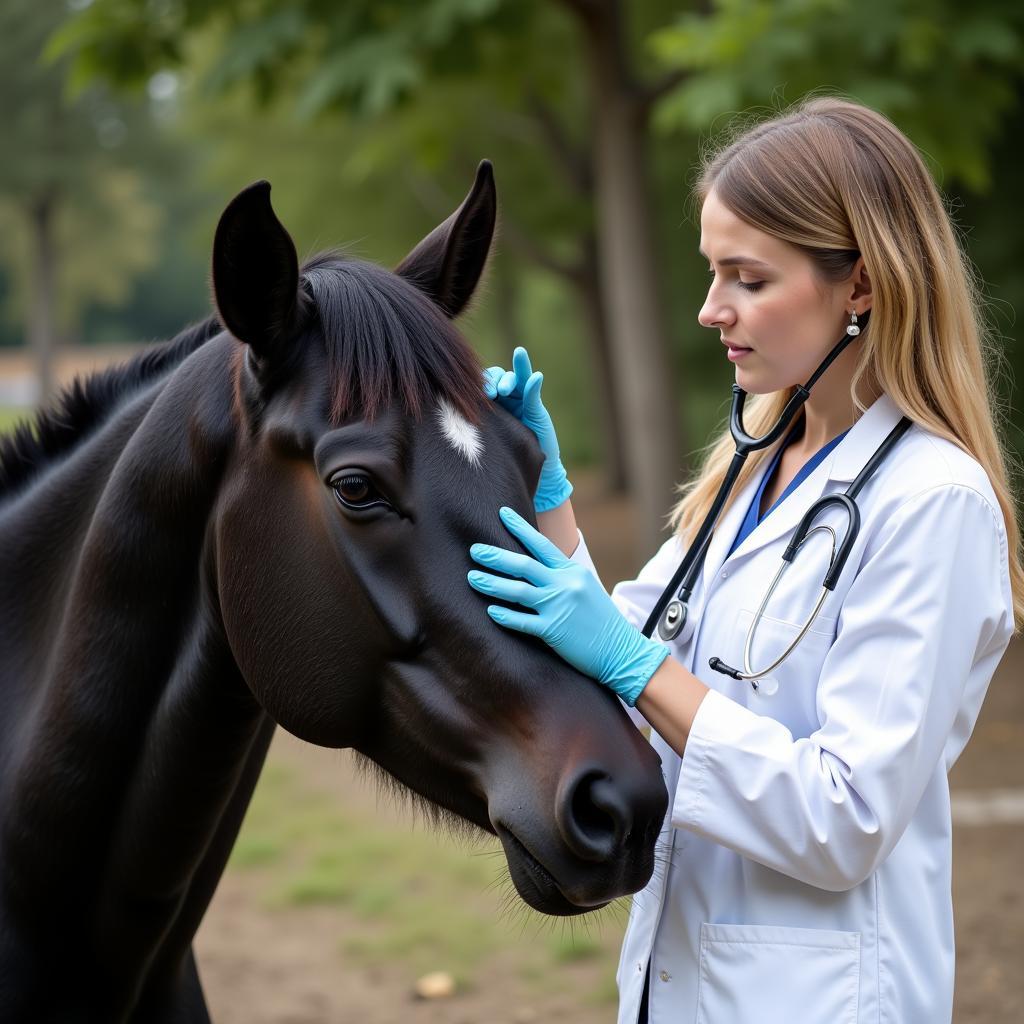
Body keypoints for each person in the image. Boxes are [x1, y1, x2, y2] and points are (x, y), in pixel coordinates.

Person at [465, 96, 1022, 1024]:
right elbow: (629, 644)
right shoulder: (757, 465)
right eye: (711, 271)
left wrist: (637, 666)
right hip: (677, 985)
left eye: (747, 278)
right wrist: (551, 504)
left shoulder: (934, 504)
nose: (710, 308)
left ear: (863, 286)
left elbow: (847, 819)